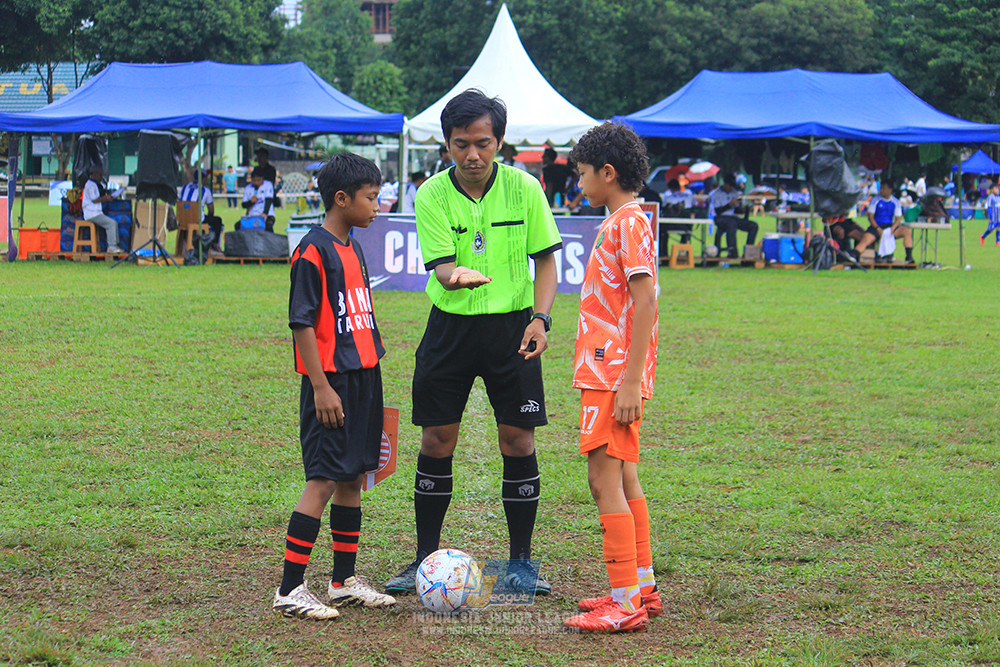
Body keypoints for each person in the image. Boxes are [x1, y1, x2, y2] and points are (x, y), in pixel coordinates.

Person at [384, 89, 561, 597]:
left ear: (499, 140)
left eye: (482, 143)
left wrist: (541, 320)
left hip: (514, 331)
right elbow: (441, 266)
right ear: (446, 144)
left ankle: (521, 562)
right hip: (450, 331)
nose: (472, 155)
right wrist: (453, 274)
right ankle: (424, 558)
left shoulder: (526, 189)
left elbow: (546, 261)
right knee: (437, 440)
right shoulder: (432, 194)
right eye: (460, 144)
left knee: (518, 440)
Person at [273, 153, 397, 620]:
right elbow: (301, 323)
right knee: (322, 479)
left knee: (352, 478)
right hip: (333, 382)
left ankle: (343, 581)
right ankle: (289, 589)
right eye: (370, 198)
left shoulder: (352, 247)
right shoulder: (312, 250)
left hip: (365, 374)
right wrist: (321, 386)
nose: (377, 206)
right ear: (341, 199)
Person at [562, 121, 658, 633]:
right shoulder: (622, 220)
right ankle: (640, 585)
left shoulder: (628, 223)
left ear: (608, 172)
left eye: (581, 174)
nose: (579, 183)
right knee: (623, 476)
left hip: (611, 372)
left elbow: (645, 303)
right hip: (608, 370)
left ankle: (625, 604)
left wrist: (627, 379)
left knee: (604, 482)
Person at [855, 182, 914, 263]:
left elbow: (898, 218)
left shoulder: (895, 202)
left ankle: (909, 257)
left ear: (890, 190)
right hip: (877, 226)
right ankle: (854, 255)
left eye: (884, 188)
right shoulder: (875, 200)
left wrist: (893, 228)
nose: (881, 191)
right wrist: (877, 228)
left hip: (889, 226)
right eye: (881, 188)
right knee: (866, 240)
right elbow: (870, 217)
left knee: (906, 231)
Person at [709, 174, 758, 259]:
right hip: (720, 218)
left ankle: (748, 251)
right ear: (725, 184)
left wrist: (743, 208)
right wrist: (730, 205)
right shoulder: (716, 194)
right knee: (731, 223)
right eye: (730, 186)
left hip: (732, 218)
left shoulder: (734, 193)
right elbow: (717, 211)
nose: (731, 188)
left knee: (753, 225)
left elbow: (736, 210)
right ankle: (732, 250)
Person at [81, 165, 123, 253]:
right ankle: (112, 246)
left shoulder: (93, 184)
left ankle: (115, 245)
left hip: (95, 213)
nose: (100, 177)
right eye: (100, 175)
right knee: (111, 223)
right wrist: (106, 198)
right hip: (92, 214)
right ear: (95, 174)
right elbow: (95, 199)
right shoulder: (91, 185)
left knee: (112, 223)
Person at [178, 170, 223, 251]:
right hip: (197, 220)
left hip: (183, 220)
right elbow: (211, 210)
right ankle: (214, 244)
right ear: (203, 179)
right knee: (217, 221)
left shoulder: (185, 187)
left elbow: (179, 203)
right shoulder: (205, 190)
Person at [660, 178, 694, 244]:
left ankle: (663, 251)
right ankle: (684, 245)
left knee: (661, 230)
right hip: (686, 225)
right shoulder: (689, 196)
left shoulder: (668, 198)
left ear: (670, 188)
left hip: (670, 225)